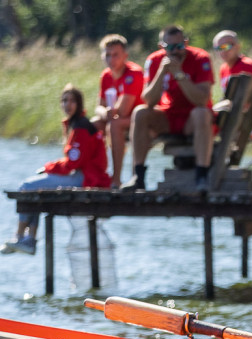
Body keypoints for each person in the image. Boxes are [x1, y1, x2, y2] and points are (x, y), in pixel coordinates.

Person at [2, 84, 110, 256]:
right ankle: (28, 240)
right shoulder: (77, 124)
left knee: (26, 186)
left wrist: (47, 168)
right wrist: (51, 168)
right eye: (64, 100)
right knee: (35, 192)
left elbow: (72, 164)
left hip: (86, 179)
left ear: (79, 104)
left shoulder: (81, 127)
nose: (68, 104)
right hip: (84, 175)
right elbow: (72, 161)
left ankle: (20, 236)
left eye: (72, 101)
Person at [121, 25, 215, 192]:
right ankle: (138, 176)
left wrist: (179, 74)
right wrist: (162, 71)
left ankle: (202, 175)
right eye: (170, 47)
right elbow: (149, 101)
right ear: (161, 47)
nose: (175, 52)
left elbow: (201, 100)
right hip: (168, 116)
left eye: (179, 46)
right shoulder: (154, 60)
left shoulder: (201, 58)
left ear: (185, 43)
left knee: (201, 113)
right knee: (140, 112)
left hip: (193, 120)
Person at [92, 34, 144, 188]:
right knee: (94, 123)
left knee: (114, 125)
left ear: (125, 56)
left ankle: (116, 179)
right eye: (107, 55)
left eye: (115, 55)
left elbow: (123, 111)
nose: (111, 59)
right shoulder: (106, 76)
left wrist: (108, 112)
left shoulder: (133, 73)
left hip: (137, 121)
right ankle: (94, 174)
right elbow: (98, 107)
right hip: (116, 119)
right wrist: (105, 112)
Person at [213, 30, 252, 94]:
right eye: (218, 48)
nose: (222, 51)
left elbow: (251, 97)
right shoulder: (223, 68)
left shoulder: (246, 65)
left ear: (238, 47)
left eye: (226, 46)